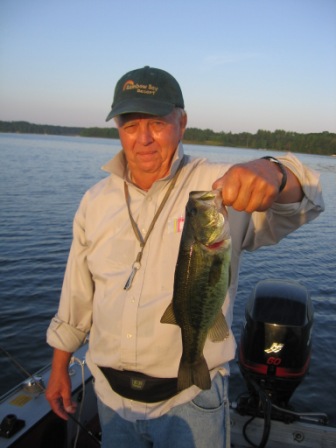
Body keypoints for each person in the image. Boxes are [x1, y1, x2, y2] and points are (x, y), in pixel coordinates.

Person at [46, 66, 324, 447]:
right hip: (111, 400)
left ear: (182, 123)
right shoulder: (94, 202)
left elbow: (309, 199)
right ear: (118, 129)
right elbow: (77, 293)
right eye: (130, 124)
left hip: (192, 400)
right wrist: (59, 365)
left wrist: (272, 171)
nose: (143, 138)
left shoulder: (220, 185)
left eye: (157, 123)